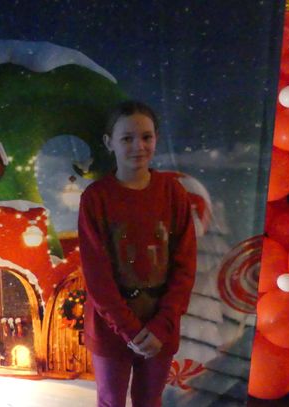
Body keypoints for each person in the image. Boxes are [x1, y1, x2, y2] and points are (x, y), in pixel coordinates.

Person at [78, 100, 197, 407]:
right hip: (111, 327)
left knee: (150, 399)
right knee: (111, 400)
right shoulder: (96, 198)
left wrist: (161, 325)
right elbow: (96, 275)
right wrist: (129, 329)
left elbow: (184, 267)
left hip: (161, 325)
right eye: (127, 138)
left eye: (146, 137)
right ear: (110, 143)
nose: (138, 146)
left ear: (156, 138)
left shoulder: (173, 193)